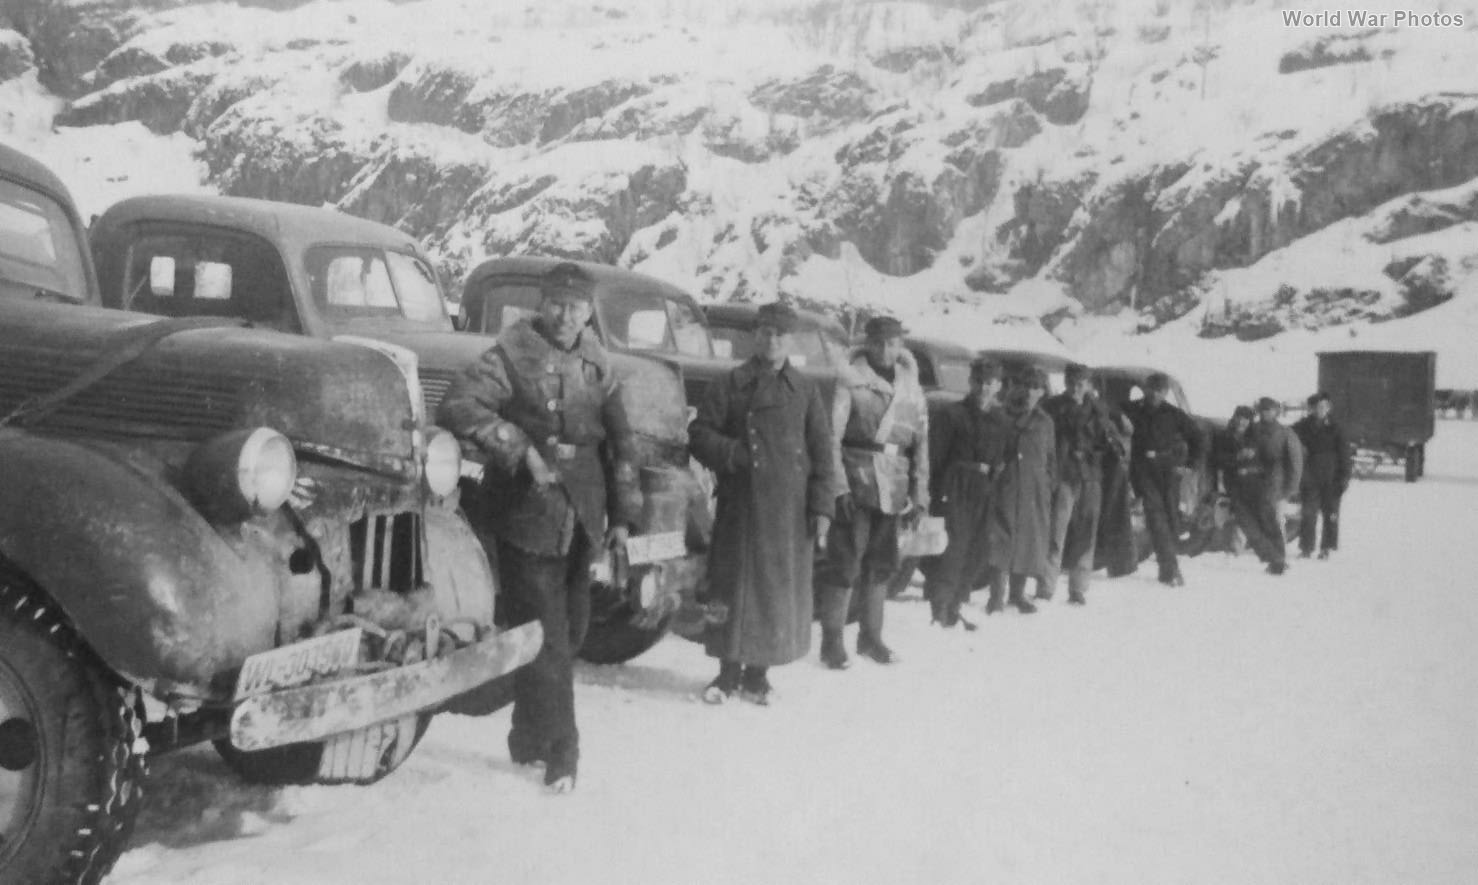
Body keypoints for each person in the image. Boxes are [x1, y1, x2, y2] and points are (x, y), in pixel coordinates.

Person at [437, 261, 640, 794]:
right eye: (556, 303)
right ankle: (563, 753)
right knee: (549, 638)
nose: (565, 314)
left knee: (568, 633)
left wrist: (622, 520)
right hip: (528, 515)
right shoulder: (511, 354)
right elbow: (458, 405)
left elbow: (623, 447)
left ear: (589, 309)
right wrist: (518, 449)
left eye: (576, 306)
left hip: (584, 518)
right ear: (541, 303)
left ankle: (527, 737)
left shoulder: (600, 364)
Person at [689, 302, 835, 704]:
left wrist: (823, 509)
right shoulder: (731, 383)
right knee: (731, 590)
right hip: (741, 507)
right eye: (766, 333)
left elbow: (823, 454)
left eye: (780, 335)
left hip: (788, 513)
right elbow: (699, 433)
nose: (772, 341)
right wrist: (734, 454)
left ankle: (758, 675)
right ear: (755, 336)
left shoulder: (804, 390)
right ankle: (725, 673)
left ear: (791, 341)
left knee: (774, 595)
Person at [816, 316, 929, 668]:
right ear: (868, 343)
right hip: (857, 478)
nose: (886, 349)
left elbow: (922, 443)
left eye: (893, 342)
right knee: (845, 562)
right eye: (879, 342)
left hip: (894, 485)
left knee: (881, 565)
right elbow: (832, 436)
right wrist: (839, 487)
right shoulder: (851, 379)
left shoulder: (912, 386)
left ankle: (871, 637)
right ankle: (832, 642)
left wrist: (920, 492)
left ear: (901, 345)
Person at [923, 357, 1010, 629]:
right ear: (971, 383)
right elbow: (935, 457)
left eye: (991, 383)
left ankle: (956, 604)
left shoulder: (1001, 420)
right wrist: (935, 494)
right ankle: (940, 608)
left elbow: (1004, 456)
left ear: (998, 386)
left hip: (984, 489)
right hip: (955, 487)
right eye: (980, 382)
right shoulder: (952, 414)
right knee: (953, 547)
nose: (985, 388)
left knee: (977, 548)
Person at [1038, 363, 1125, 605]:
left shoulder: (1099, 410)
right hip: (1064, 475)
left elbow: (1112, 442)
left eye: (1081, 383)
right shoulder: (1052, 408)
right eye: (1072, 383)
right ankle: (1046, 586)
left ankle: (1078, 588)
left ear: (1089, 385)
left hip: (1091, 477)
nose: (1076, 388)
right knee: (1056, 532)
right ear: (1065, 382)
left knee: (1086, 535)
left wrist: (1105, 450)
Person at [983, 367, 1056, 615]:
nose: (1030, 392)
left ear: (1043, 391)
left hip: (1035, 490)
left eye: (1036, 387)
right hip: (1008, 484)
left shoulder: (1046, 422)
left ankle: (1017, 595)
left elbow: (1051, 458)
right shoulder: (1003, 416)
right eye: (1026, 386)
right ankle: (996, 597)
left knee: (1029, 540)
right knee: (1003, 539)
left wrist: (1047, 486)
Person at [1124, 372, 1204, 586]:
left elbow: (1198, 437)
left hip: (1167, 471)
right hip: (1142, 470)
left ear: (1166, 392)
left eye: (1160, 390)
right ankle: (1170, 568)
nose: (1155, 394)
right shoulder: (1132, 410)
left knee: (1170, 519)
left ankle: (1166, 565)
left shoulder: (1174, 414)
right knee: (1156, 516)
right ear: (1145, 389)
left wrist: (1191, 466)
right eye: (1151, 389)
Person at [1211, 405, 1288, 569]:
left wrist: (1264, 476)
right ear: (1234, 418)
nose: (1241, 421)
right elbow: (1217, 460)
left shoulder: (1258, 437)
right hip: (1236, 485)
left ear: (1250, 421)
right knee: (1247, 523)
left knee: (1268, 520)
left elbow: (1272, 460)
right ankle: (1272, 558)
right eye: (1239, 417)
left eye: (1245, 418)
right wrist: (1237, 457)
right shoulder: (1223, 437)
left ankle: (1280, 556)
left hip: (1257, 484)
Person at [1246, 396, 1303, 575]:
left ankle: (1279, 558)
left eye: (1269, 410)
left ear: (1277, 412)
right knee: (1260, 519)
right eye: (1263, 410)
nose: (1266, 413)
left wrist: (1291, 488)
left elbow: (1295, 462)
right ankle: (1274, 557)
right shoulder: (1252, 429)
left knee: (1273, 519)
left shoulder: (1285, 433)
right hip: (1254, 480)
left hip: (1275, 481)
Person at [1292, 391, 1352, 559]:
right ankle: (1306, 548)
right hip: (1310, 478)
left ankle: (1326, 548)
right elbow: (1288, 436)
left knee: (1330, 514)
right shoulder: (1302, 427)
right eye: (1317, 407)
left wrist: (1345, 477)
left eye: (1324, 406)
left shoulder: (1336, 428)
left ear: (1329, 408)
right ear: (1311, 409)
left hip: (1331, 479)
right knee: (1308, 514)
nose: (1320, 410)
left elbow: (1345, 455)